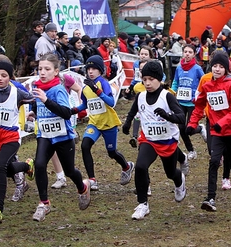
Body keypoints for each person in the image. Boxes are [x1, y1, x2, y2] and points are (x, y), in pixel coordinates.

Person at [122, 60, 186, 220]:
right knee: (141, 167)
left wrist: (167, 115)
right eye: (144, 80)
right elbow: (133, 111)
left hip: (167, 141)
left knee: (170, 173)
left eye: (151, 79)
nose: (147, 83)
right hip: (149, 139)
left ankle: (180, 180)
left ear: (159, 79)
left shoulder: (167, 97)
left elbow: (181, 118)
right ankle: (142, 204)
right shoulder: (141, 96)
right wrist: (127, 123)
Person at [31, 53, 91, 222]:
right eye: (40, 68)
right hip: (45, 135)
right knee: (40, 164)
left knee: (70, 170)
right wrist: (33, 112)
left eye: (47, 69)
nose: (42, 72)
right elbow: (39, 107)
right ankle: (44, 203)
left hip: (63, 136)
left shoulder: (58, 89)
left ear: (56, 71)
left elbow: (65, 113)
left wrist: (46, 100)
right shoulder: (37, 87)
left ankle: (82, 187)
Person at [186, 53, 231, 211]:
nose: (217, 69)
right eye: (215, 66)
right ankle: (210, 198)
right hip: (217, 131)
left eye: (221, 66)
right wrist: (192, 123)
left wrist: (223, 122)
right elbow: (199, 105)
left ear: (226, 69)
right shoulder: (207, 85)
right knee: (214, 161)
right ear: (211, 67)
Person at [71, 55, 134, 190]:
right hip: (94, 123)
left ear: (100, 70)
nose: (91, 71)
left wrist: (97, 90)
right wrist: (73, 110)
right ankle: (92, 179)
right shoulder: (86, 87)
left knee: (111, 152)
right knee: (85, 145)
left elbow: (111, 103)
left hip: (108, 123)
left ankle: (127, 167)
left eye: (94, 68)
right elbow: (85, 105)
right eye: (88, 68)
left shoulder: (103, 83)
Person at [0, 62, 36, 224]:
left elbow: (35, 99)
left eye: (4, 76)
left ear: (9, 77)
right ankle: (27, 166)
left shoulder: (17, 92)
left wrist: (34, 114)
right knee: (7, 170)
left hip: (12, 137)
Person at [171, 44, 206, 160]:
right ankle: (191, 150)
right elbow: (175, 82)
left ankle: (200, 128)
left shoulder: (197, 68)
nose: (187, 54)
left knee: (189, 129)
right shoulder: (179, 68)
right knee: (181, 129)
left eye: (190, 52)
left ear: (194, 54)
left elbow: (204, 82)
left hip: (192, 103)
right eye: (185, 51)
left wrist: (200, 96)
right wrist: (172, 92)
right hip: (180, 102)